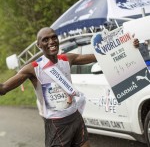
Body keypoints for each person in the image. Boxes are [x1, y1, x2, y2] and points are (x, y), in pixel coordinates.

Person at [0, 27, 139, 147]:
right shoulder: (33, 68)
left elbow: (98, 56)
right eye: (45, 40)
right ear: (38, 45)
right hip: (56, 125)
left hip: (75, 117)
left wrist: (128, 46)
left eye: (54, 37)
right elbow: (4, 88)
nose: (51, 42)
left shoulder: (67, 59)